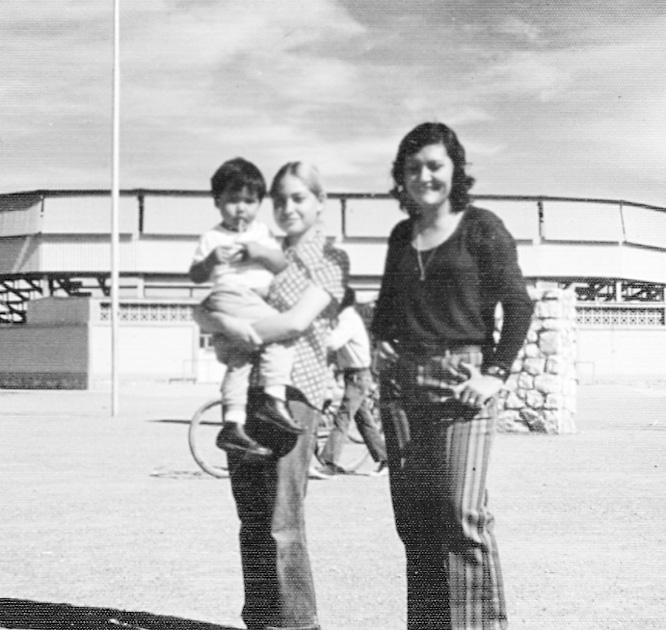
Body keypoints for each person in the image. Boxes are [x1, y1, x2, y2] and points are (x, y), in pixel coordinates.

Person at [371, 122, 534, 630]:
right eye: (414, 167)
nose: (424, 175)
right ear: (402, 175)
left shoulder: (482, 226)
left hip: (461, 381)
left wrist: (495, 373)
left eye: (435, 165)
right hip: (401, 386)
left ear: (455, 170)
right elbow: (387, 307)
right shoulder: (402, 235)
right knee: (416, 523)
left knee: (461, 517)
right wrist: (378, 342)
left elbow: (519, 306)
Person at [195, 161, 348, 630]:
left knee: (282, 519)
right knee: (252, 519)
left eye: (299, 197)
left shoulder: (329, 258)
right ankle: (261, 620)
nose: (288, 207)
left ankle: (298, 624)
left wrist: (234, 326)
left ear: (320, 203)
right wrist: (217, 319)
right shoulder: (257, 247)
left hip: (293, 396)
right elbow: (203, 305)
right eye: (280, 198)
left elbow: (295, 323)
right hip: (248, 394)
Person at [189, 158, 302, 460]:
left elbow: (280, 264)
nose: (241, 209)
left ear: (259, 203)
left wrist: (259, 252)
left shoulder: (261, 233)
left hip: (253, 300)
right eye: (232, 201)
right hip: (231, 295)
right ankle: (274, 398)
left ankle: (233, 424)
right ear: (217, 202)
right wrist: (212, 259)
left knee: (240, 359)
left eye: (249, 201)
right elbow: (196, 275)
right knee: (283, 332)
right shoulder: (213, 237)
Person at [316, 287, 387, 476]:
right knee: (364, 420)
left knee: (343, 417)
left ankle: (329, 461)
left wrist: (316, 334)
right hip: (354, 375)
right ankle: (385, 459)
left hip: (358, 375)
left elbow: (332, 343)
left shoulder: (348, 320)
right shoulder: (344, 318)